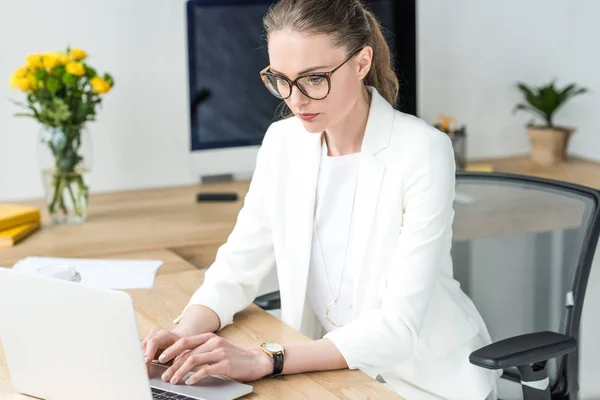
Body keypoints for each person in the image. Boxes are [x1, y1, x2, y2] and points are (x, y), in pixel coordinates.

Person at [142, 0, 499, 398]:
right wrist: (183, 333)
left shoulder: (422, 150)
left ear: (361, 63)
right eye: (281, 78)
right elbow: (237, 266)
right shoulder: (284, 141)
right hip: (333, 373)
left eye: (314, 79)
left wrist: (268, 359)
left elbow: (398, 328)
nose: (295, 100)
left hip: (421, 378)